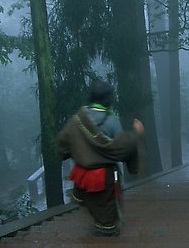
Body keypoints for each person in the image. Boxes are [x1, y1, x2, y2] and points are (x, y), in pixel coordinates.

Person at [57, 80, 144, 236]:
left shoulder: (77, 119)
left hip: (82, 174)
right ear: (108, 99)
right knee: (107, 210)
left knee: (91, 201)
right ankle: (106, 238)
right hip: (104, 176)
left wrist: (78, 151)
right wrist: (136, 133)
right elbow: (122, 147)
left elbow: (63, 142)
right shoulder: (112, 120)